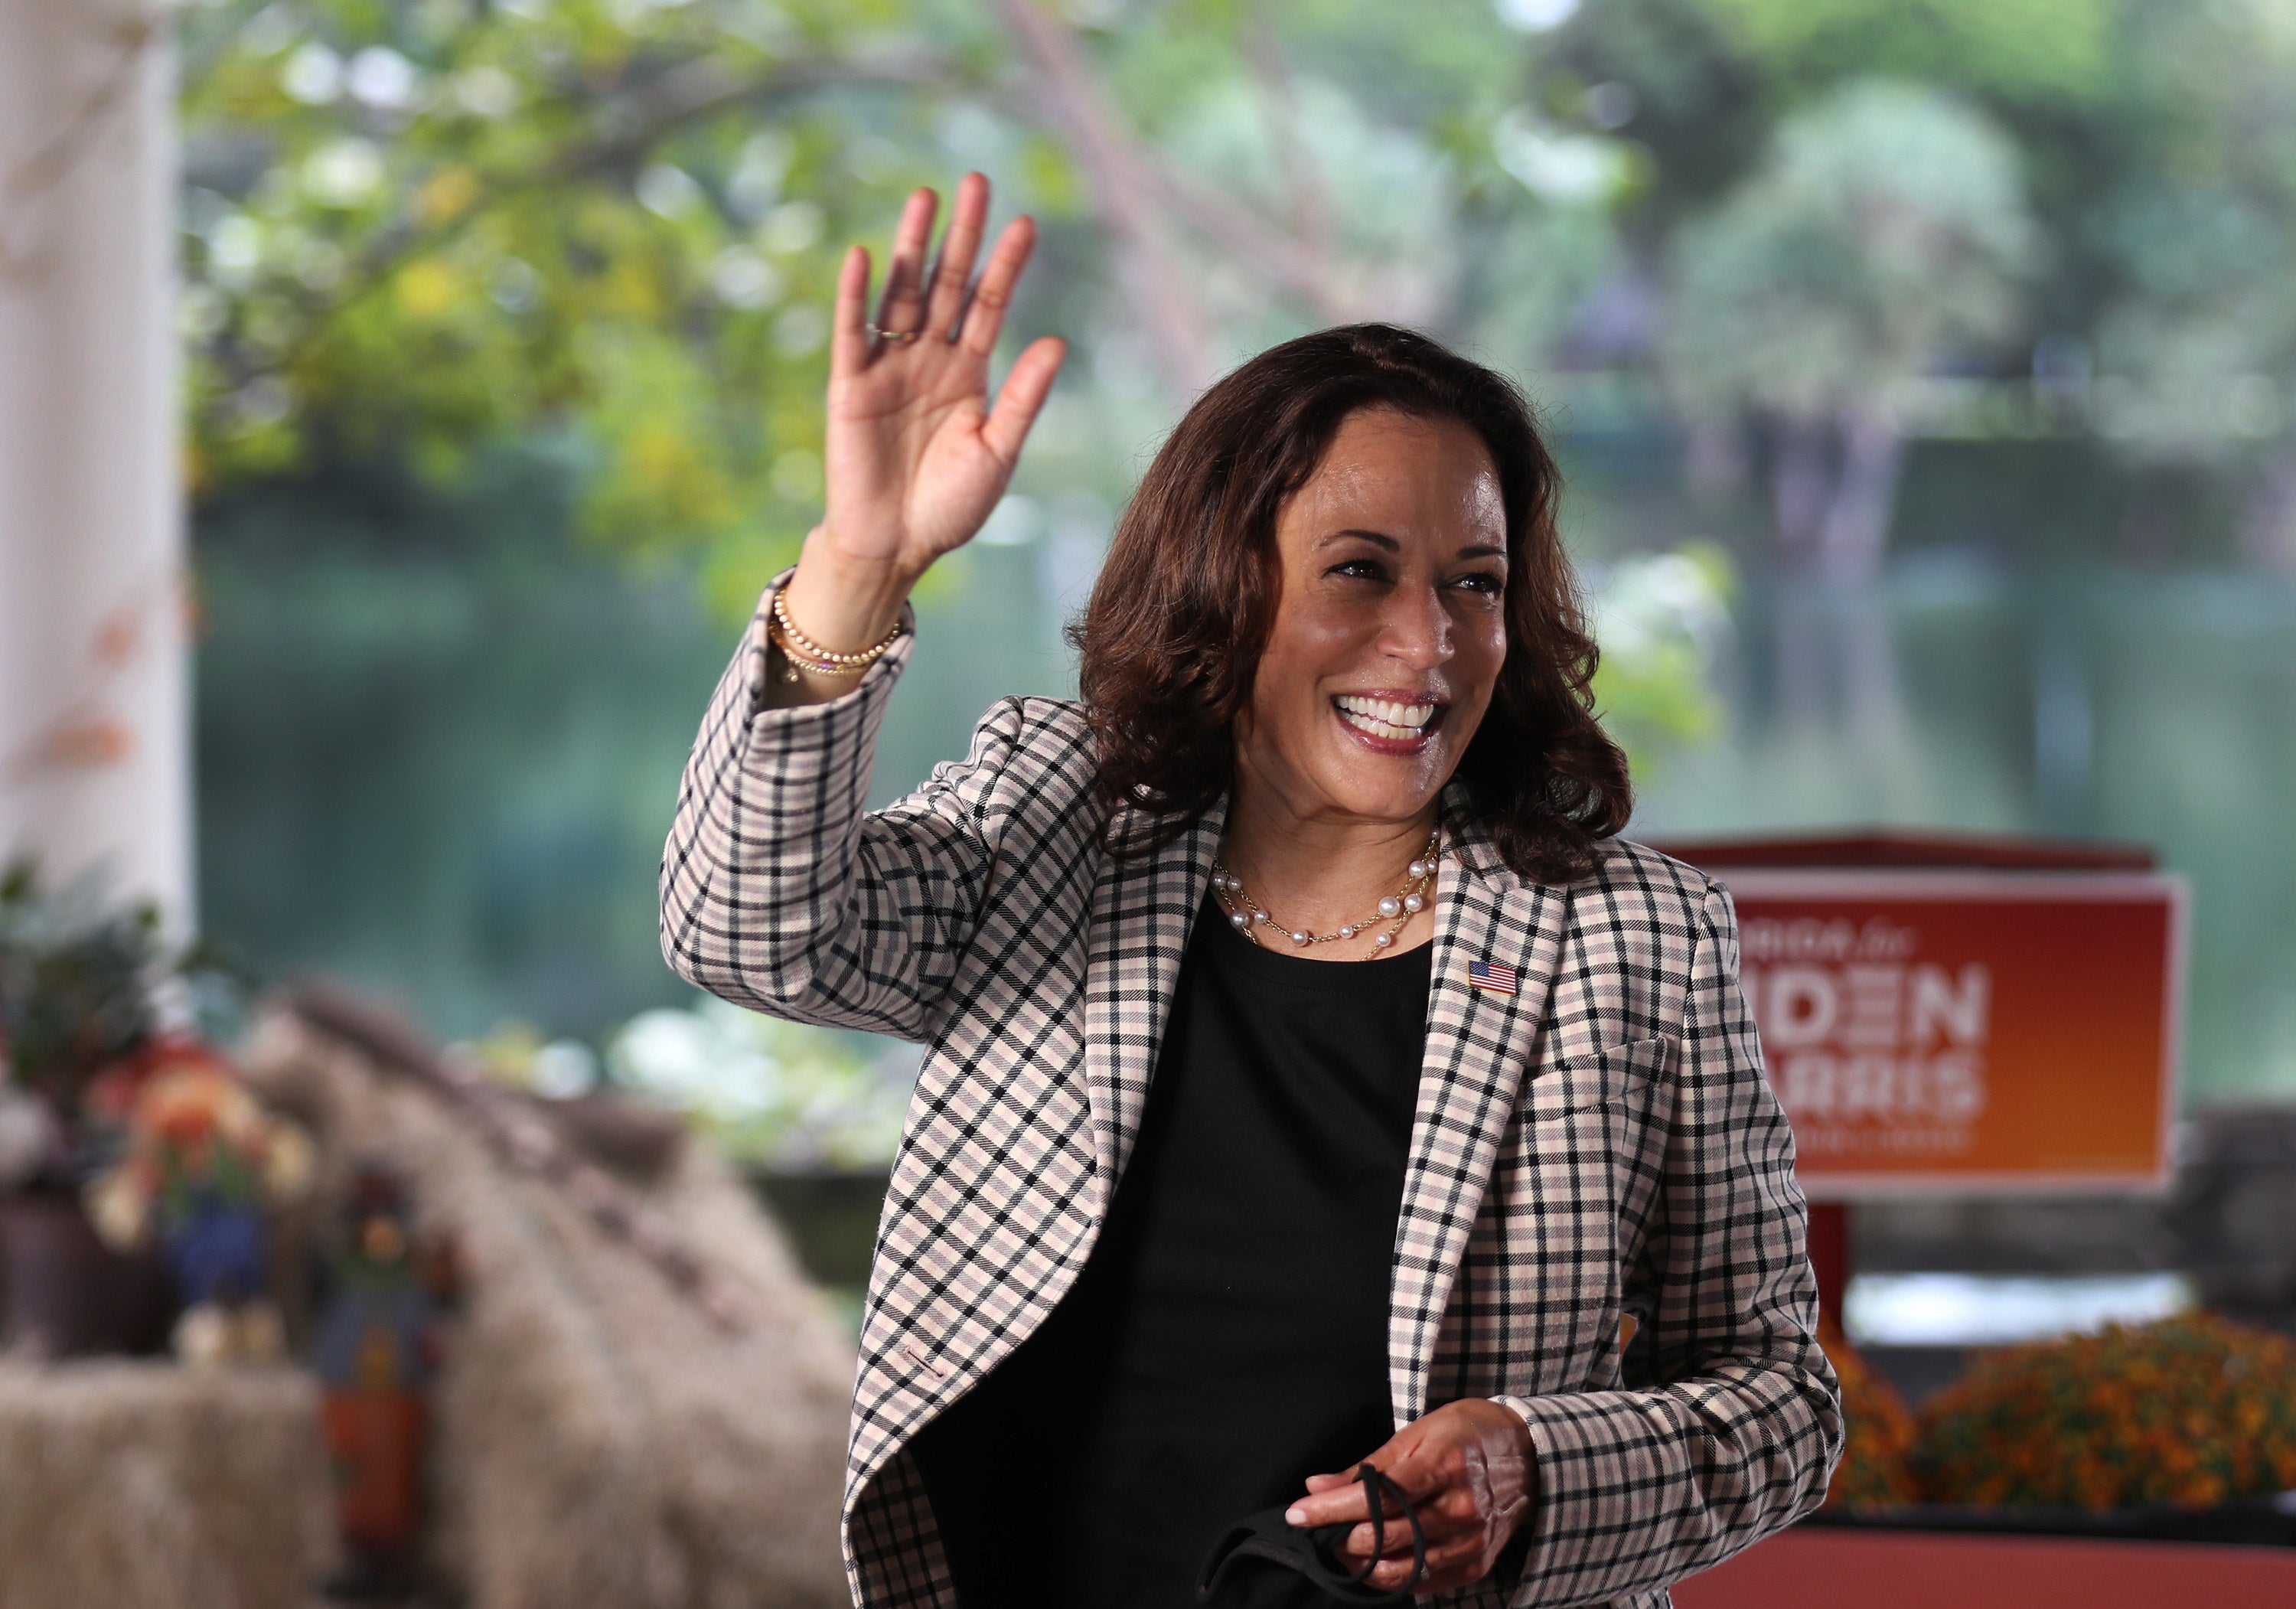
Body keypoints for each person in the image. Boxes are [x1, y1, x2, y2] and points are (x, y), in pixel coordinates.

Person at [660, 173, 1841, 1609]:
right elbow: (747, 927)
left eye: (1474, 582)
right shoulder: (1050, 824)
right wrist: (860, 564)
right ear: (1229, 582)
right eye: (1361, 571)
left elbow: (1779, 1401)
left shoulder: (1634, 936)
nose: (1430, 642)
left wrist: (1538, 1463)